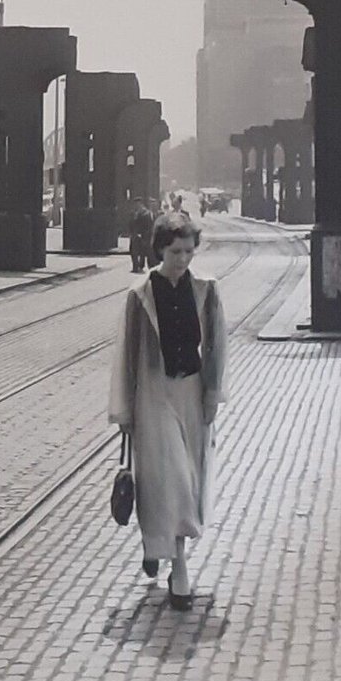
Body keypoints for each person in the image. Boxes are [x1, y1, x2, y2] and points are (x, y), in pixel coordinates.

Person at [108, 211, 228, 611]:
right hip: (153, 395)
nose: (183, 259)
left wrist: (213, 394)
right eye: (176, 251)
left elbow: (216, 348)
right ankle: (178, 569)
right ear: (160, 249)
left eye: (189, 251)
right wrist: (124, 409)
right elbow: (126, 355)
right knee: (168, 477)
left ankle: (156, 543)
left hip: (190, 393)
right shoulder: (140, 295)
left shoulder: (206, 291)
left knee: (186, 478)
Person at [127, 199, 154, 273]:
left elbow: (148, 226)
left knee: (142, 251)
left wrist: (144, 234)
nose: (136, 206)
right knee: (133, 251)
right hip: (134, 235)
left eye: (138, 204)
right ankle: (135, 267)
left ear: (141, 204)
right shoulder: (133, 213)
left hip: (142, 235)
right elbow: (130, 223)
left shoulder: (146, 213)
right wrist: (130, 232)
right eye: (135, 204)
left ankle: (141, 265)